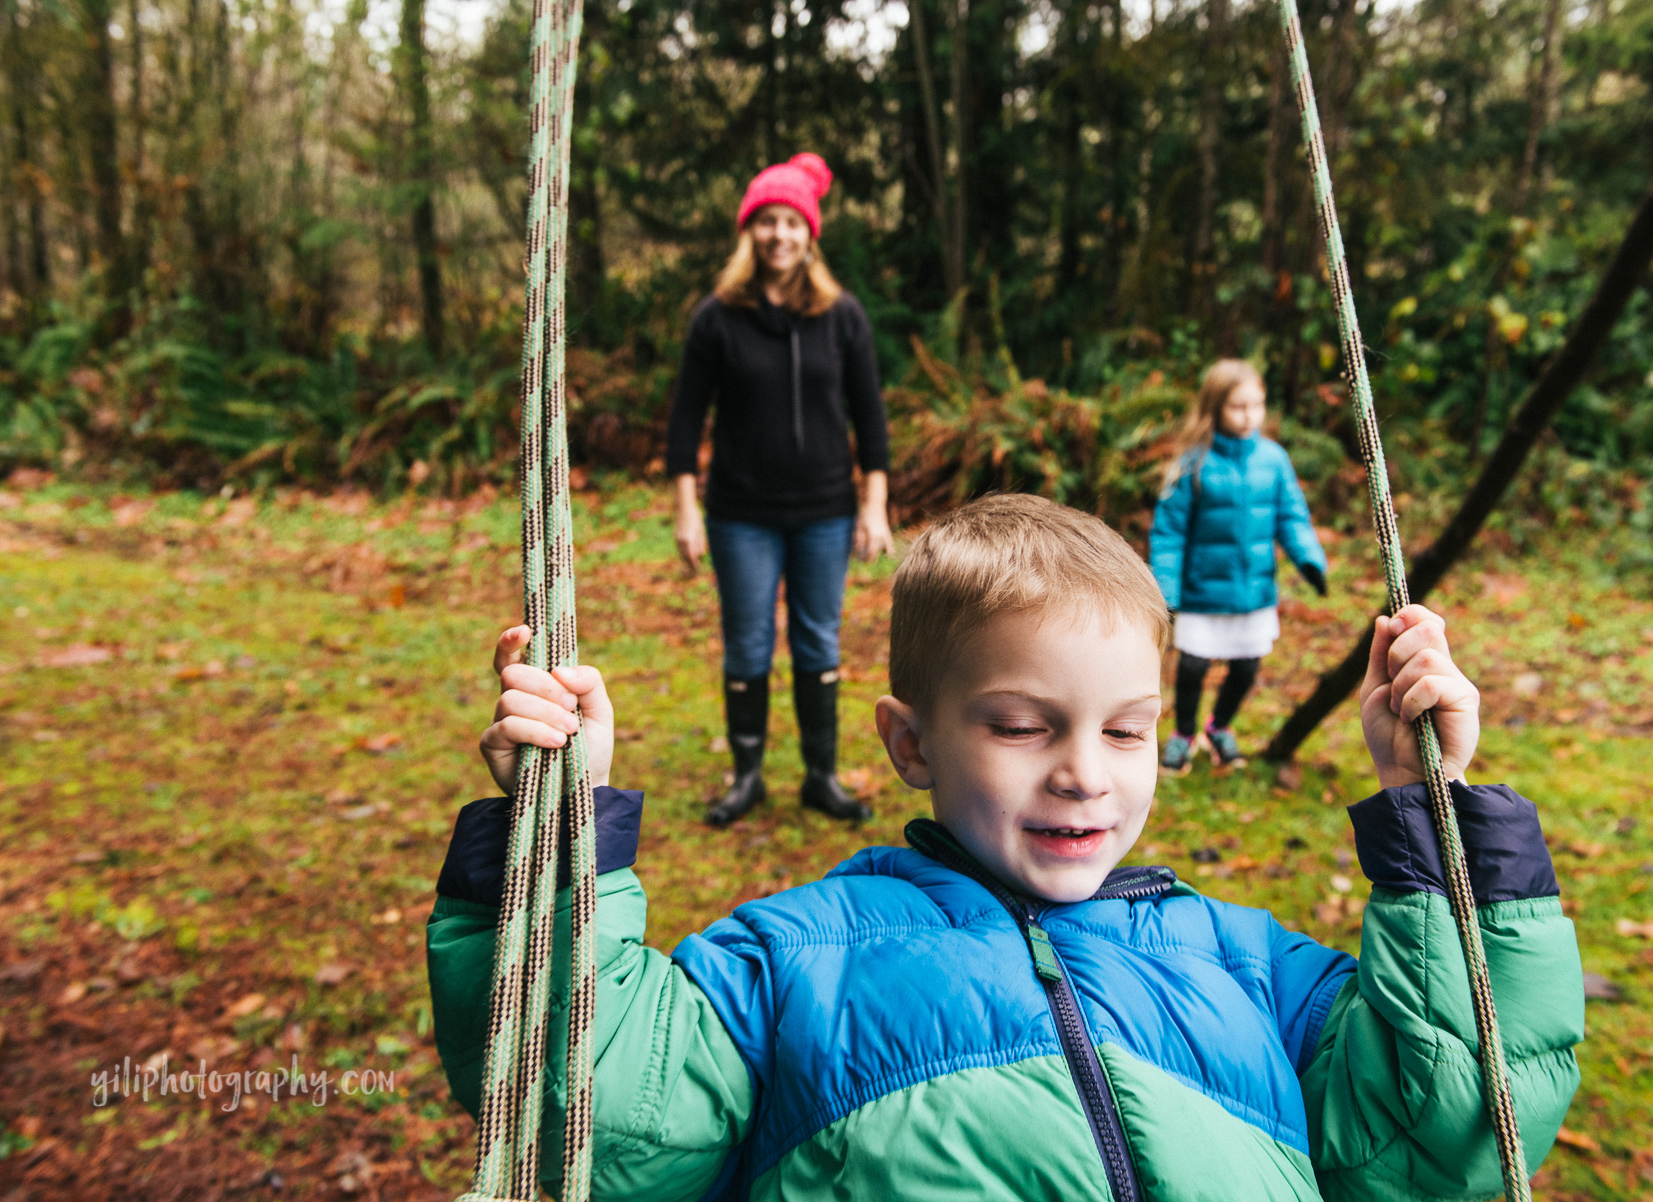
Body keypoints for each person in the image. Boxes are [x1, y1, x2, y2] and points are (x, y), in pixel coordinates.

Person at [432, 492, 1584, 1201]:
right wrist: (557, 826)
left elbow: (1449, 1129)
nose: (1084, 767)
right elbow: (595, 1117)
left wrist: (1433, 809)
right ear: (911, 740)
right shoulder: (791, 958)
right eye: (1024, 725)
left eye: (1128, 729)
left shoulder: (1248, 968)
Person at [664, 152, 894, 828]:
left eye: (791, 222)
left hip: (825, 510)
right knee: (748, 644)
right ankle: (748, 776)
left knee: (820, 640)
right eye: (767, 221)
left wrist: (875, 502)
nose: (779, 235)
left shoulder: (842, 317)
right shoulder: (717, 318)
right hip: (742, 515)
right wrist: (685, 511)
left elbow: (870, 415)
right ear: (749, 232)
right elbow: (684, 422)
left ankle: (820, 776)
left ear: (809, 233)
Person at [1148, 359, 1329, 770]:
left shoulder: (1274, 460)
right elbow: (1169, 533)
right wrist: (1166, 589)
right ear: (1215, 407)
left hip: (1254, 590)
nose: (1250, 416)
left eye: (1257, 405)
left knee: (1246, 667)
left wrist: (1309, 560)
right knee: (1192, 667)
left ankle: (1220, 726)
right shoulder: (1192, 464)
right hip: (1201, 590)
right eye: (1238, 407)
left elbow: (1291, 516)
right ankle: (1183, 733)